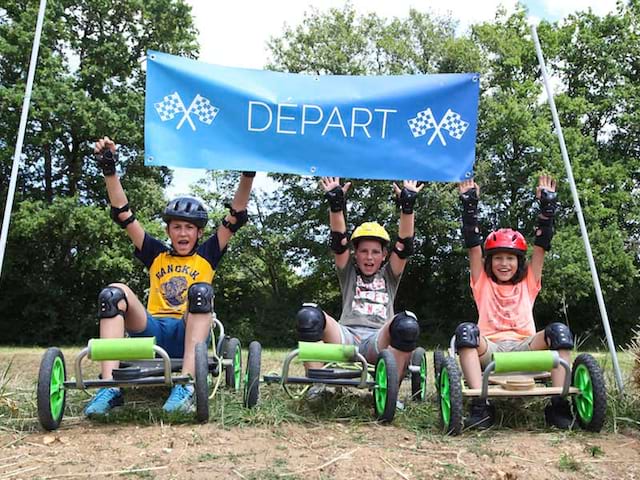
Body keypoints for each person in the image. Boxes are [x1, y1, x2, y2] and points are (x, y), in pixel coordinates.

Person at [84, 136, 254, 416]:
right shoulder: (156, 253)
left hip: (189, 328)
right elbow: (123, 215)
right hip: (152, 330)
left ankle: (186, 386)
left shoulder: (208, 254)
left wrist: (248, 172)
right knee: (113, 293)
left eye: (189, 227)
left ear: (199, 233)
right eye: (177, 227)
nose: (183, 233)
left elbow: (235, 216)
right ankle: (110, 387)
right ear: (168, 231)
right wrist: (109, 169)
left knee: (200, 291)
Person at [455, 175, 574, 429]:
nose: (504, 264)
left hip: (525, 348)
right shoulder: (482, 282)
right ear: (490, 262)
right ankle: (481, 405)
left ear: (520, 262)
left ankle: (559, 405)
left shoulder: (528, 282)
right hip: (492, 351)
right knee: (466, 332)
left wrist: (547, 210)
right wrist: (469, 208)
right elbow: (473, 246)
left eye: (511, 258)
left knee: (559, 333)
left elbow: (541, 246)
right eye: (498, 258)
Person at [295, 177, 423, 392]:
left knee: (407, 325)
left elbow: (404, 246)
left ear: (384, 255)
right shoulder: (349, 273)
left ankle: (389, 392)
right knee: (308, 315)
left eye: (375, 252)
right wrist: (336, 204)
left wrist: (407, 206)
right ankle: (317, 386)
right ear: (356, 254)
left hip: (377, 338)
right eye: (363, 251)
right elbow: (339, 242)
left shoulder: (390, 274)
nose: (369, 257)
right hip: (345, 335)